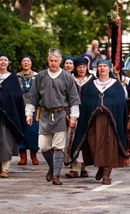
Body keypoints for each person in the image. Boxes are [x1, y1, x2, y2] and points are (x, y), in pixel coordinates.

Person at [25, 48, 81, 185]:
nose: (53, 63)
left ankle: (56, 175)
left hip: (61, 115)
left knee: (58, 147)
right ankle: (52, 167)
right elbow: (33, 96)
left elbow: (73, 98)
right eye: (51, 60)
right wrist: (29, 113)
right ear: (47, 60)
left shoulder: (67, 77)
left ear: (60, 61)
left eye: (56, 61)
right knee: (44, 147)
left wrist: (73, 116)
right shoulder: (41, 76)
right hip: (44, 115)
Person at [69, 60, 129, 185]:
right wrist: (96, 106)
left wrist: (107, 107)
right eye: (100, 66)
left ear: (109, 69)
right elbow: (86, 103)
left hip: (111, 122)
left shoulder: (116, 85)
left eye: (105, 66)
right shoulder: (91, 85)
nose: (102, 68)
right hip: (93, 121)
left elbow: (120, 103)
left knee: (109, 146)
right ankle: (101, 167)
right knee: (94, 144)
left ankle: (106, 174)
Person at [0, 53, 27, 178]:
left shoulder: (12, 78)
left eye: (5, 60)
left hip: (8, 117)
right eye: (1, 60)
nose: (3, 62)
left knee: (6, 141)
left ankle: (5, 168)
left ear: (9, 63)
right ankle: (1, 162)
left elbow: (17, 96)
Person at [65, 56, 94, 178]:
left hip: (88, 113)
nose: (81, 69)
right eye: (79, 67)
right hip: (73, 114)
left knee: (86, 140)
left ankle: (84, 167)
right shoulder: (69, 79)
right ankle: (74, 167)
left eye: (83, 67)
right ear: (75, 68)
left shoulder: (93, 80)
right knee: (72, 139)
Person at [17, 55, 40, 166]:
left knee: (33, 131)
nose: (26, 63)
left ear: (31, 63)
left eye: (28, 61)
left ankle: (33, 154)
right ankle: (22, 155)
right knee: (20, 130)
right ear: (21, 63)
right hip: (19, 107)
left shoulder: (37, 76)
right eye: (24, 61)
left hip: (34, 107)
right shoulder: (15, 77)